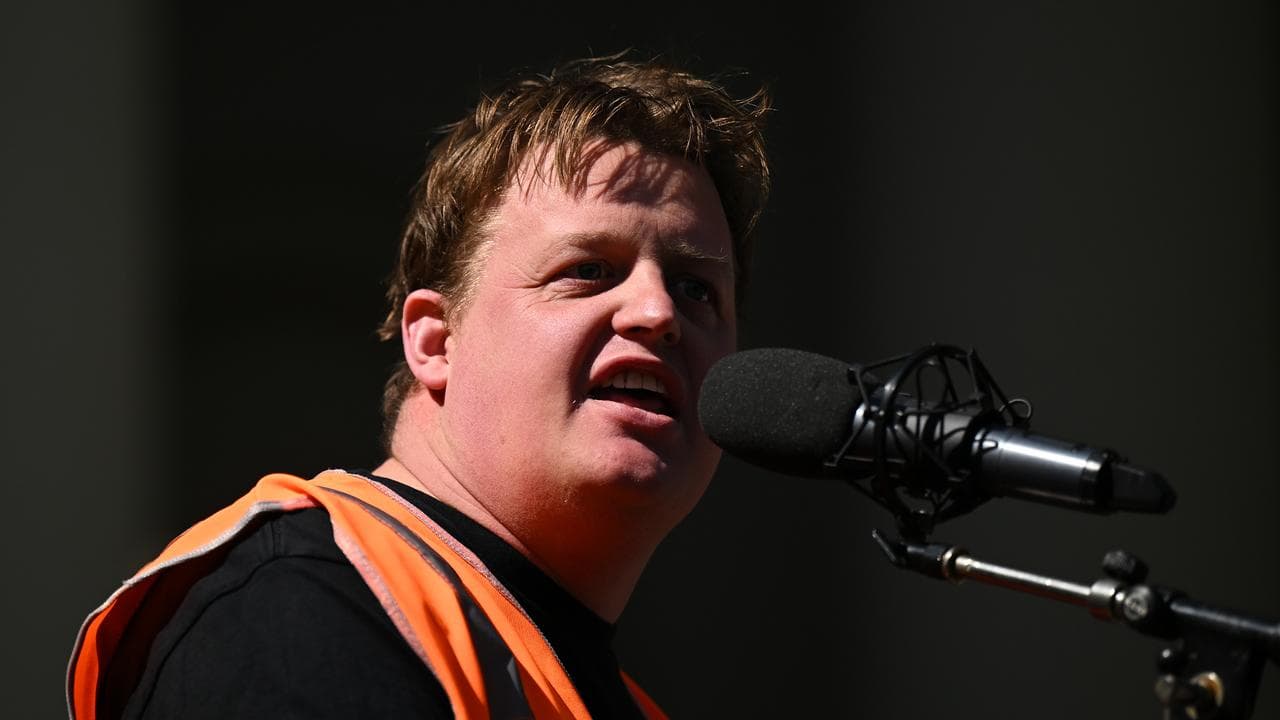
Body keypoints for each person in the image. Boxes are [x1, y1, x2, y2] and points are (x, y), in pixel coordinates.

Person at [68, 52, 771, 719]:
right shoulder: (298, 607)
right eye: (588, 269)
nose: (657, 312)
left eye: (696, 288)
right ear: (436, 342)